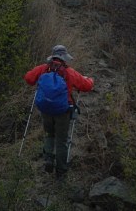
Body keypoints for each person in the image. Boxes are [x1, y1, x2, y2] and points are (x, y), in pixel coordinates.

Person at [24, 44, 94, 179]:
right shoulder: (69, 72)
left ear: (53, 56)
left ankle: (48, 158)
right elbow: (86, 86)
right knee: (62, 140)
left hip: (45, 109)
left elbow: (28, 78)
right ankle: (61, 171)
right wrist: (90, 79)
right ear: (64, 58)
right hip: (63, 111)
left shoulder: (43, 69)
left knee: (49, 134)